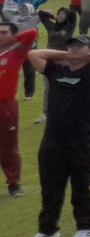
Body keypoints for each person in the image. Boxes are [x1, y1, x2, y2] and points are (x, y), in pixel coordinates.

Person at [24, 37, 90, 237]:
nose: (73, 49)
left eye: (79, 45)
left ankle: (84, 227)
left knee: (83, 184)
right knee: (50, 186)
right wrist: (67, 56)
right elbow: (33, 55)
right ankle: (48, 229)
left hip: (82, 139)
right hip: (53, 138)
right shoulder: (55, 71)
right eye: (70, 46)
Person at [0, 20, 39, 196]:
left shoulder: (16, 52)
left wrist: (12, 40)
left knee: (8, 145)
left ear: (12, 35)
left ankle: (14, 183)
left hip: (6, 105)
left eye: (3, 32)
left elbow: (31, 33)